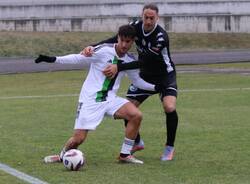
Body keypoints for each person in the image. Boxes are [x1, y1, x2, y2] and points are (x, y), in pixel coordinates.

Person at [35, 25, 162, 164]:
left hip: (110, 99)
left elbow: (137, 81)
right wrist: (53, 59)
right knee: (78, 139)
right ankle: (61, 156)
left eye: (128, 42)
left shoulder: (130, 60)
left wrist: (157, 87)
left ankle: (125, 155)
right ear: (118, 38)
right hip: (91, 100)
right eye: (122, 40)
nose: (124, 44)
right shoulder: (103, 50)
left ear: (133, 42)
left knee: (136, 115)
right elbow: (78, 58)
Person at [82, 3, 178, 161]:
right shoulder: (135, 27)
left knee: (169, 106)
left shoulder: (161, 37)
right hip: (145, 76)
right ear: (142, 15)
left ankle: (169, 147)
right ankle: (137, 142)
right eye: (146, 17)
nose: (148, 21)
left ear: (157, 18)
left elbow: (144, 61)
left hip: (164, 76)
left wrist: (118, 67)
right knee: (127, 109)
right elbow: (115, 39)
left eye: (151, 18)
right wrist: (92, 47)